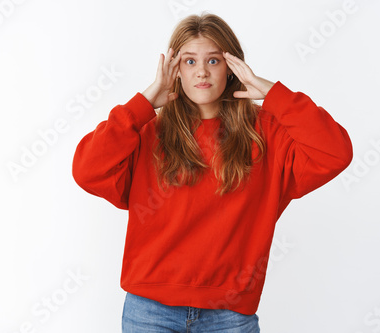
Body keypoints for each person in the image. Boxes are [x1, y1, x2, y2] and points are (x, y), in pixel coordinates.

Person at [72, 12, 353, 333]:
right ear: (174, 69)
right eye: (189, 62)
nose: (202, 71)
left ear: (232, 67)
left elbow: (336, 152)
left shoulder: (267, 132)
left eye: (214, 61)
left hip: (230, 314)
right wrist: (145, 102)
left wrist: (276, 96)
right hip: (150, 310)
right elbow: (87, 169)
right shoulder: (147, 130)